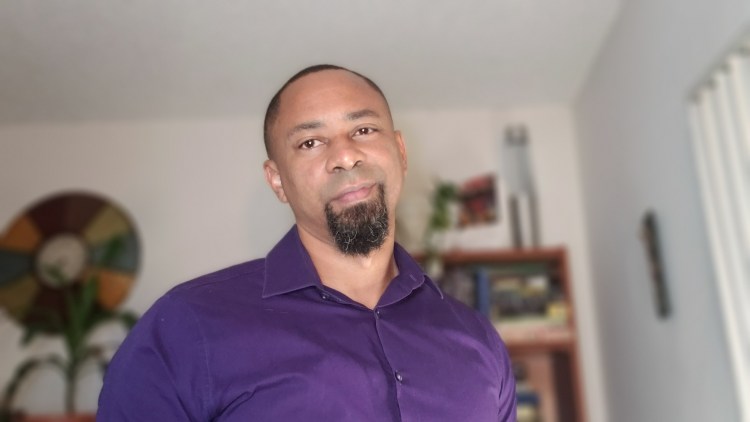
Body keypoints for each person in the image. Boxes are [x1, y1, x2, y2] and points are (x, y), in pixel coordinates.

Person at [97, 64, 516, 421]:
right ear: (277, 180)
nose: (345, 156)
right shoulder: (188, 326)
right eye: (310, 143)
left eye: (364, 129)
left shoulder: (478, 339)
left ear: (400, 152)